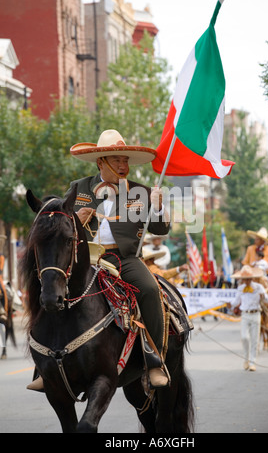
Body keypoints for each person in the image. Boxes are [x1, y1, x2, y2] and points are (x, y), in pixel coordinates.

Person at [28, 129, 171, 391]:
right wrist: (74, 220)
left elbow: (161, 230)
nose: (122, 165)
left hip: (124, 259)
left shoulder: (141, 192)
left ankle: (155, 362)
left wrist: (159, 206)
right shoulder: (78, 188)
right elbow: (60, 224)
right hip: (87, 258)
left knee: (150, 290)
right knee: (48, 286)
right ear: (100, 162)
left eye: (125, 160)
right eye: (116, 160)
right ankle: (42, 366)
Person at [228, 265, 268, 372]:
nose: (246, 281)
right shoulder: (240, 288)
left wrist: (263, 297)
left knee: (254, 339)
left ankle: (252, 362)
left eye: (248, 279)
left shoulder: (259, 287)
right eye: (244, 279)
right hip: (245, 315)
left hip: (256, 314)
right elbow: (236, 302)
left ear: (252, 278)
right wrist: (230, 305)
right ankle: (246, 359)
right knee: (244, 337)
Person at [242, 227, 268, 316]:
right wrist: (249, 266)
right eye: (255, 238)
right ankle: (238, 307)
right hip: (251, 275)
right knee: (241, 287)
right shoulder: (250, 248)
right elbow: (245, 261)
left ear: (262, 240)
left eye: (257, 239)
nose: (255, 240)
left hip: (265, 275)